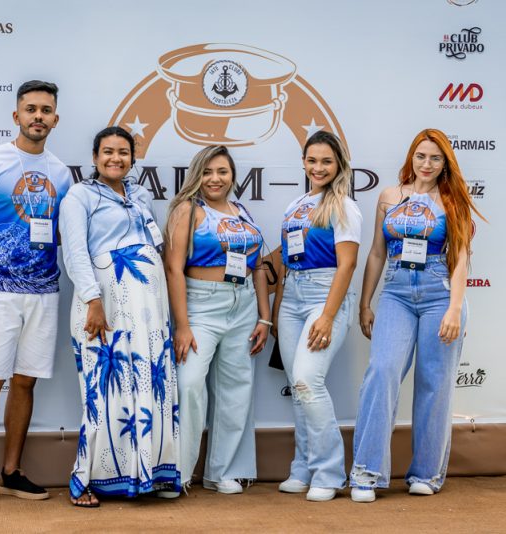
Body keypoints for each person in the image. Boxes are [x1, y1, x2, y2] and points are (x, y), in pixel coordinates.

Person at [349, 128, 482, 503]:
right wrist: (365, 303)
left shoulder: (454, 200)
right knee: (382, 371)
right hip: (396, 291)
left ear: (445, 164)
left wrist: (455, 308)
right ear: (411, 158)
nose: (427, 164)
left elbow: (460, 260)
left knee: (434, 382)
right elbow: (376, 252)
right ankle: (367, 472)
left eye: (435, 158)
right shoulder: (390, 196)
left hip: (440, 290)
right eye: (421, 156)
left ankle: (426, 472)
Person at [0, 80, 71, 505]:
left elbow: (62, 235)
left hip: (44, 292)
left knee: (25, 383)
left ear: (55, 119)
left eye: (45, 110)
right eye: (31, 109)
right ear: (16, 115)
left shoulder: (61, 172)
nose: (38, 116)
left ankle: (11, 472)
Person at [59, 126, 180, 507]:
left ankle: (146, 475)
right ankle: (86, 480)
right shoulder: (79, 196)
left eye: (123, 152)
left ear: (133, 157)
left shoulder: (141, 195)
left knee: (148, 383)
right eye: (108, 151)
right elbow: (76, 253)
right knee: (104, 387)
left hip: (148, 308)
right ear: (94, 157)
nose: (116, 158)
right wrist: (93, 300)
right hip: (106, 305)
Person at [164, 146, 271, 494]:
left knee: (236, 389)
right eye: (208, 171)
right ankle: (176, 472)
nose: (215, 179)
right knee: (190, 384)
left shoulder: (242, 210)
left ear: (232, 175)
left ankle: (221, 471)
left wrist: (264, 318)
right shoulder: (188, 209)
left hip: (243, 306)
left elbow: (256, 267)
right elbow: (173, 268)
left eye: (222, 171)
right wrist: (182, 325)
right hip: (201, 306)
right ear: (197, 174)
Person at [272, 130, 362, 502]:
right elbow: (289, 254)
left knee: (308, 380)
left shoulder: (344, 206)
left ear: (339, 163)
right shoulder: (297, 204)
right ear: (304, 162)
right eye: (312, 160)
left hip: (325, 295)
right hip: (292, 295)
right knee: (298, 389)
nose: (318, 167)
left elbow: (348, 263)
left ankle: (328, 472)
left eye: (326, 161)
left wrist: (327, 315)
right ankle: (303, 468)